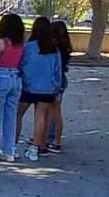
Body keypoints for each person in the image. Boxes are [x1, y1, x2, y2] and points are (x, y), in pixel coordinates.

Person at [19, 17, 63, 162]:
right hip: (47, 88)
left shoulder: (29, 47)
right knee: (40, 118)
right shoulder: (54, 48)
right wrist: (56, 87)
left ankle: (12, 144)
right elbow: (58, 70)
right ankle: (35, 148)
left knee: (18, 114)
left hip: (29, 87)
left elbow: (22, 64)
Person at [0, 14, 26, 162]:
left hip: (2, 77)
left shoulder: (1, 43)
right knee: (11, 116)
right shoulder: (21, 44)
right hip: (16, 77)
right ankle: (9, 151)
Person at [44, 20, 72, 154]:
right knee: (53, 111)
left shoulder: (56, 48)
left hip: (57, 81)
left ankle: (56, 141)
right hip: (61, 79)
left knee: (54, 112)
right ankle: (50, 137)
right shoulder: (65, 47)